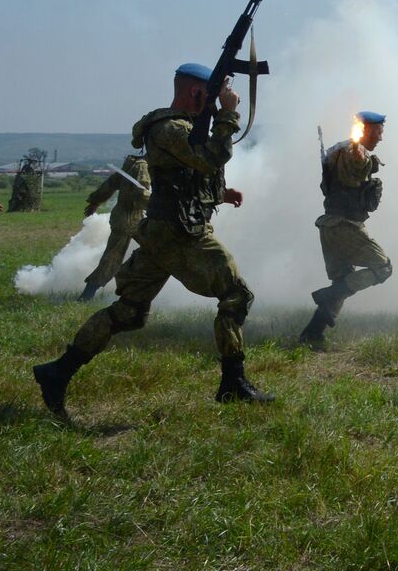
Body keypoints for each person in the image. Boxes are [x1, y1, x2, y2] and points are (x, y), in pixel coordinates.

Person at [33, 63, 271, 420]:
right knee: (237, 295)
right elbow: (210, 158)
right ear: (196, 93)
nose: (220, 95)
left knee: (130, 312)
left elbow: (188, 177)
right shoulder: (169, 128)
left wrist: (220, 193)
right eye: (214, 90)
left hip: (167, 231)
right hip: (180, 233)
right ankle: (232, 383)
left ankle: (57, 371)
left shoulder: (183, 128)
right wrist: (229, 114)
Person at [297, 111, 392, 350]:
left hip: (329, 227)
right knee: (383, 268)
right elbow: (355, 173)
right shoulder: (353, 152)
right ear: (368, 130)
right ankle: (330, 293)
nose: (381, 138)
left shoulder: (342, 150)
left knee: (343, 280)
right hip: (345, 227)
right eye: (379, 132)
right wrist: (362, 158)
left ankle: (312, 333)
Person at [79, 155, 151, 301]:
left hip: (131, 218)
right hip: (130, 219)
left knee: (154, 252)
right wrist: (158, 207)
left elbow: (111, 183)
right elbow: (141, 193)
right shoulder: (142, 167)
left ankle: (136, 287)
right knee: (112, 258)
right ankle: (87, 295)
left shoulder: (133, 165)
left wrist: (95, 201)